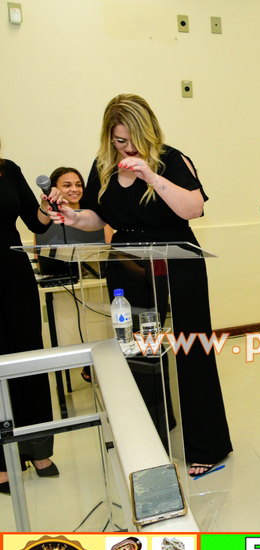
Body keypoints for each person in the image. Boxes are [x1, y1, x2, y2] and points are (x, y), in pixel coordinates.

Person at [45, 94, 233, 476]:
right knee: (139, 352)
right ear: (108, 137)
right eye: (119, 140)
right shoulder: (103, 166)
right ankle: (150, 439)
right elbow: (97, 216)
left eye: (134, 139)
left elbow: (194, 208)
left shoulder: (170, 160)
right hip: (128, 263)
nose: (127, 148)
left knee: (191, 347)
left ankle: (207, 445)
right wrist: (74, 217)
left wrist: (150, 174)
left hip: (176, 257)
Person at [0, 142, 59, 494]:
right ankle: (0, 462)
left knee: (28, 359)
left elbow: (34, 220)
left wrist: (46, 207)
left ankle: (37, 449)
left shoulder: (8, 169)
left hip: (13, 275)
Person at [37, 167, 112, 382]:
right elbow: (41, 255)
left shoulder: (97, 217)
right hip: (65, 288)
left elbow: (110, 250)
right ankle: (78, 362)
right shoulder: (46, 219)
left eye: (78, 185)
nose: (74, 189)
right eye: (67, 185)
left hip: (98, 287)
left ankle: (103, 362)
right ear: (54, 189)